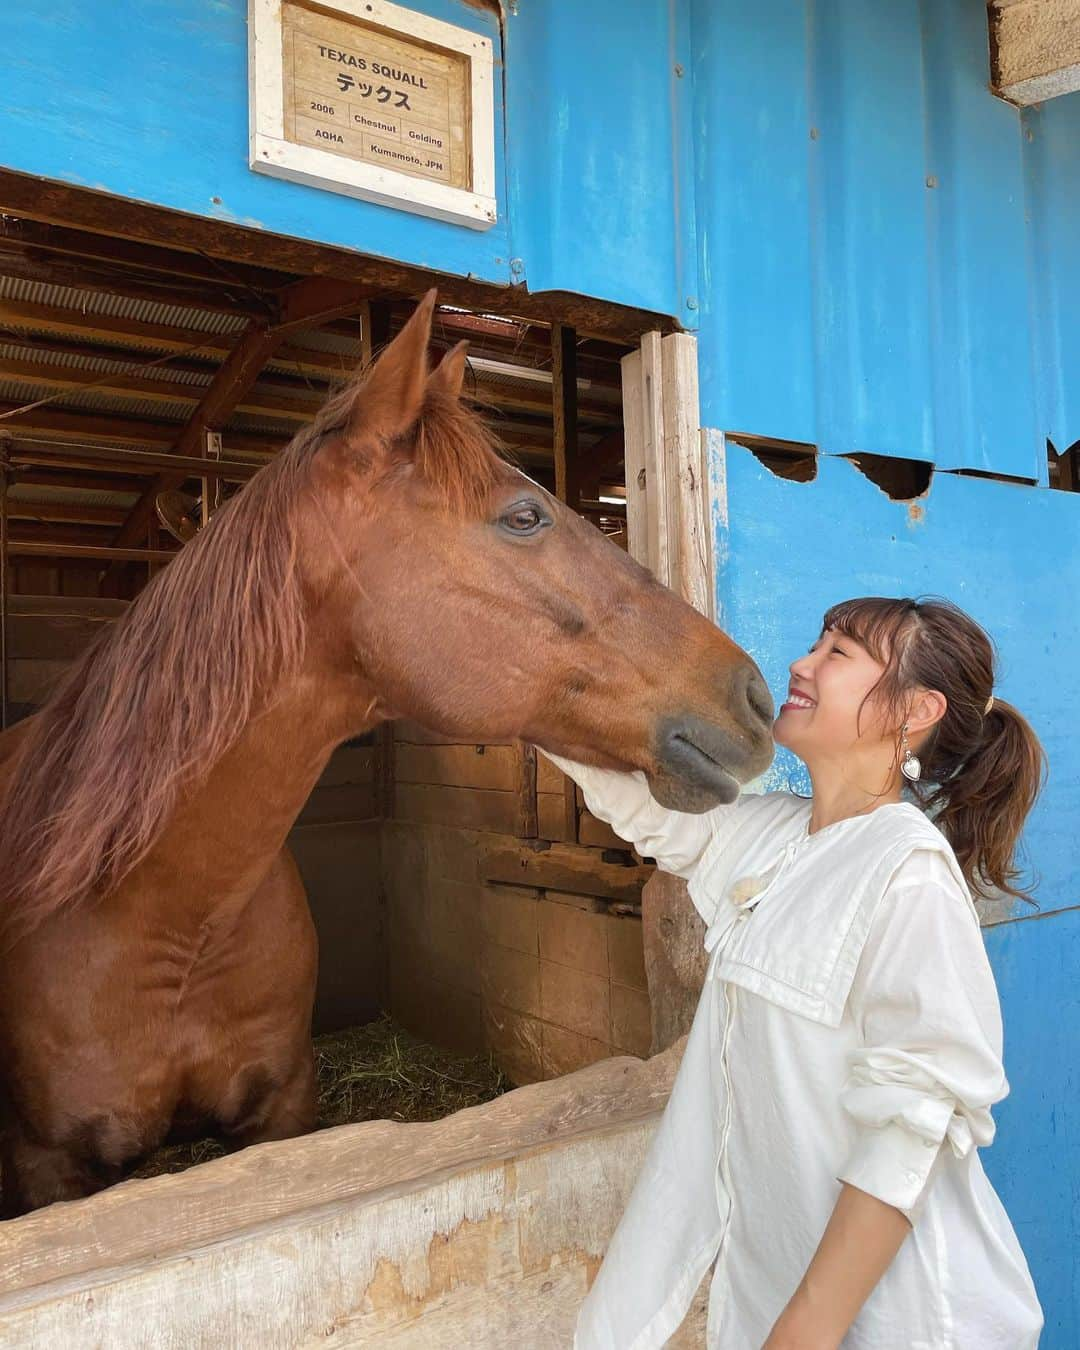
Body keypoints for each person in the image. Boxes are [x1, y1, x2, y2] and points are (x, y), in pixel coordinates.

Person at [545, 596, 1045, 1349]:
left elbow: (911, 1128)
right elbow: (645, 810)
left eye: (838, 653)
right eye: (817, 643)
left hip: (895, 1321)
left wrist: (808, 1328)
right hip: (775, 1298)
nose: (800, 663)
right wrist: (522, 692)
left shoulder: (906, 872)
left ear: (915, 709)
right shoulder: (774, 834)